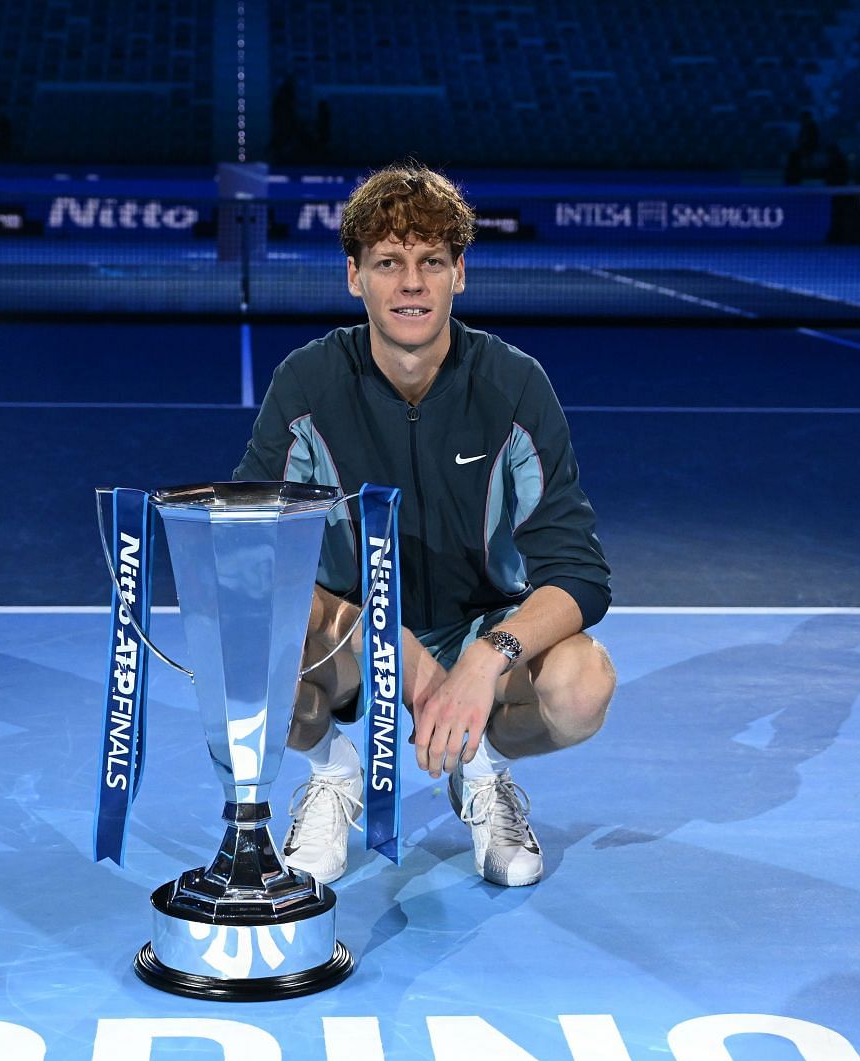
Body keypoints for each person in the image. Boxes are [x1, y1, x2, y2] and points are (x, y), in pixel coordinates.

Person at [233, 162, 615, 888]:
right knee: (251, 649)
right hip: (354, 641)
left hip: (481, 632)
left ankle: (481, 768)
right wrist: (387, 640)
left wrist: (485, 659)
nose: (411, 283)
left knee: (582, 684)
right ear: (355, 277)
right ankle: (332, 774)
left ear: (458, 275)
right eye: (388, 263)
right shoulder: (308, 385)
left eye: (430, 262)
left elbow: (578, 573)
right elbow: (261, 554)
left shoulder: (513, 385)